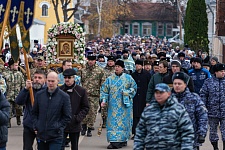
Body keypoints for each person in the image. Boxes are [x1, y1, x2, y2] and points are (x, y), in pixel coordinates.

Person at [134, 83, 194, 150]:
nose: (158, 95)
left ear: (169, 93)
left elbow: (187, 132)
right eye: (156, 93)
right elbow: (140, 133)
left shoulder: (178, 110)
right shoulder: (148, 110)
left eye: (161, 92)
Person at [100, 60, 137, 149]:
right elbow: (104, 90)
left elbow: (134, 88)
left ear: (122, 68)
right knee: (113, 123)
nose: (116, 68)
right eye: (115, 66)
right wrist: (103, 100)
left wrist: (126, 92)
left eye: (118, 66)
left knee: (124, 124)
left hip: (125, 107)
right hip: (113, 106)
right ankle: (113, 141)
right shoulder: (110, 79)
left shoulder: (128, 78)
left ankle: (123, 140)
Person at [32, 72, 71, 150]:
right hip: (41, 135)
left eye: (53, 81)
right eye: (49, 81)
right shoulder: (39, 95)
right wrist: (37, 126)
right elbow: (34, 113)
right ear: (46, 81)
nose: (50, 83)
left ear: (58, 81)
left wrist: (58, 127)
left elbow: (67, 116)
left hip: (56, 136)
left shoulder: (64, 97)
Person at [172, 72, 208, 150]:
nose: (177, 86)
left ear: (185, 84)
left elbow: (202, 116)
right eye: (175, 83)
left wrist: (201, 133)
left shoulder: (194, 98)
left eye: (179, 83)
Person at [15, 69, 46, 150]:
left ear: (44, 80)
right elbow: (19, 101)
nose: (37, 80)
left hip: (42, 126)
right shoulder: (29, 90)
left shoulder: (47, 91)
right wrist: (25, 89)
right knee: (27, 147)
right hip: (29, 124)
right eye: (35, 77)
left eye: (39, 78)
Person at [60, 69, 89, 150]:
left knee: (74, 146)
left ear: (74, 78)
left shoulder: (81, 91)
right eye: (65, 77)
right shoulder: (60, 90)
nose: (67, 79)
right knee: (60, 146)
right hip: (62, 123)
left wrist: (77, 118)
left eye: (69, 77)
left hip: (75, 123)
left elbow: (85, 107)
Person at [200, 63, 225, 150]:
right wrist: (204, 108)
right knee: (213, 133)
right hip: (212, 112)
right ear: (216, 72)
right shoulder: (208, 82)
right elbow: (203, 95)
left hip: (224, 112)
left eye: (224, 71)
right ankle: (215, 148)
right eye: (221, 71)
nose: (223, 73)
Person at [81, 54, 105, 137]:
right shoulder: (83, 70)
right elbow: (80, 81)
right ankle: (83, 126)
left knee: (93, 112)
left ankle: (90, 128)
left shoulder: (100, 70)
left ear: (95, 61)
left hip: (94, 95)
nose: (90, 62)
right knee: (84, 111)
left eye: (92, 60)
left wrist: (102, 95)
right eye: (89, 60)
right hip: (83, 95)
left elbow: (103, 83)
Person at [131, 59, 151, 140]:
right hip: (135, 98)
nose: (137, 66)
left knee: (143, 116)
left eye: (139, 65)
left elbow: (150, 87)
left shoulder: (147, 75)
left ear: (142, 66)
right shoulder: (133, 75)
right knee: (135, 116)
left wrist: (148, 99)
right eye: (136, 65)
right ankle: (135, 133)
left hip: (143, 97)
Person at [2, 58, 25, 127]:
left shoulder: (20, 74)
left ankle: (18, 117)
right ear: (11, 65)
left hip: (18, 95)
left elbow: (22, 84)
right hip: (9, 95)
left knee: (19, 109)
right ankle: (8, 121)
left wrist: (23, 92)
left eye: (17, 65)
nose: (17, 66)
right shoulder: (5, 74)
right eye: (15, 65)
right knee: (9, 109)